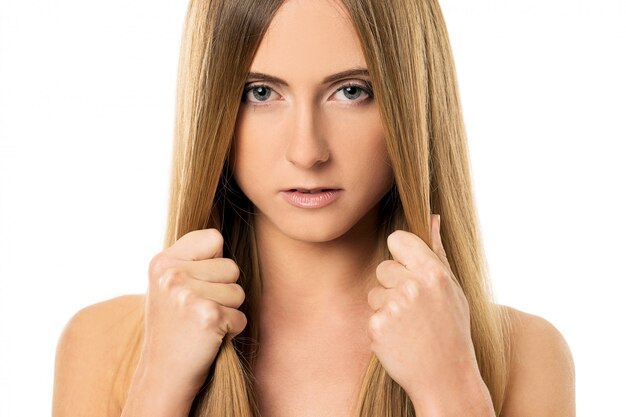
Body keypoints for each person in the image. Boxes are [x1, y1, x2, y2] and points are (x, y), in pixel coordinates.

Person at [51, 0, 576, 416]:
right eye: (260, 92)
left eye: (351, 91)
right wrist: (159, 388)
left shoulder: (526, 356)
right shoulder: (102, 344)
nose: (307, 151)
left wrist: (453, 392)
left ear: (411, 102)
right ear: (214, 108)